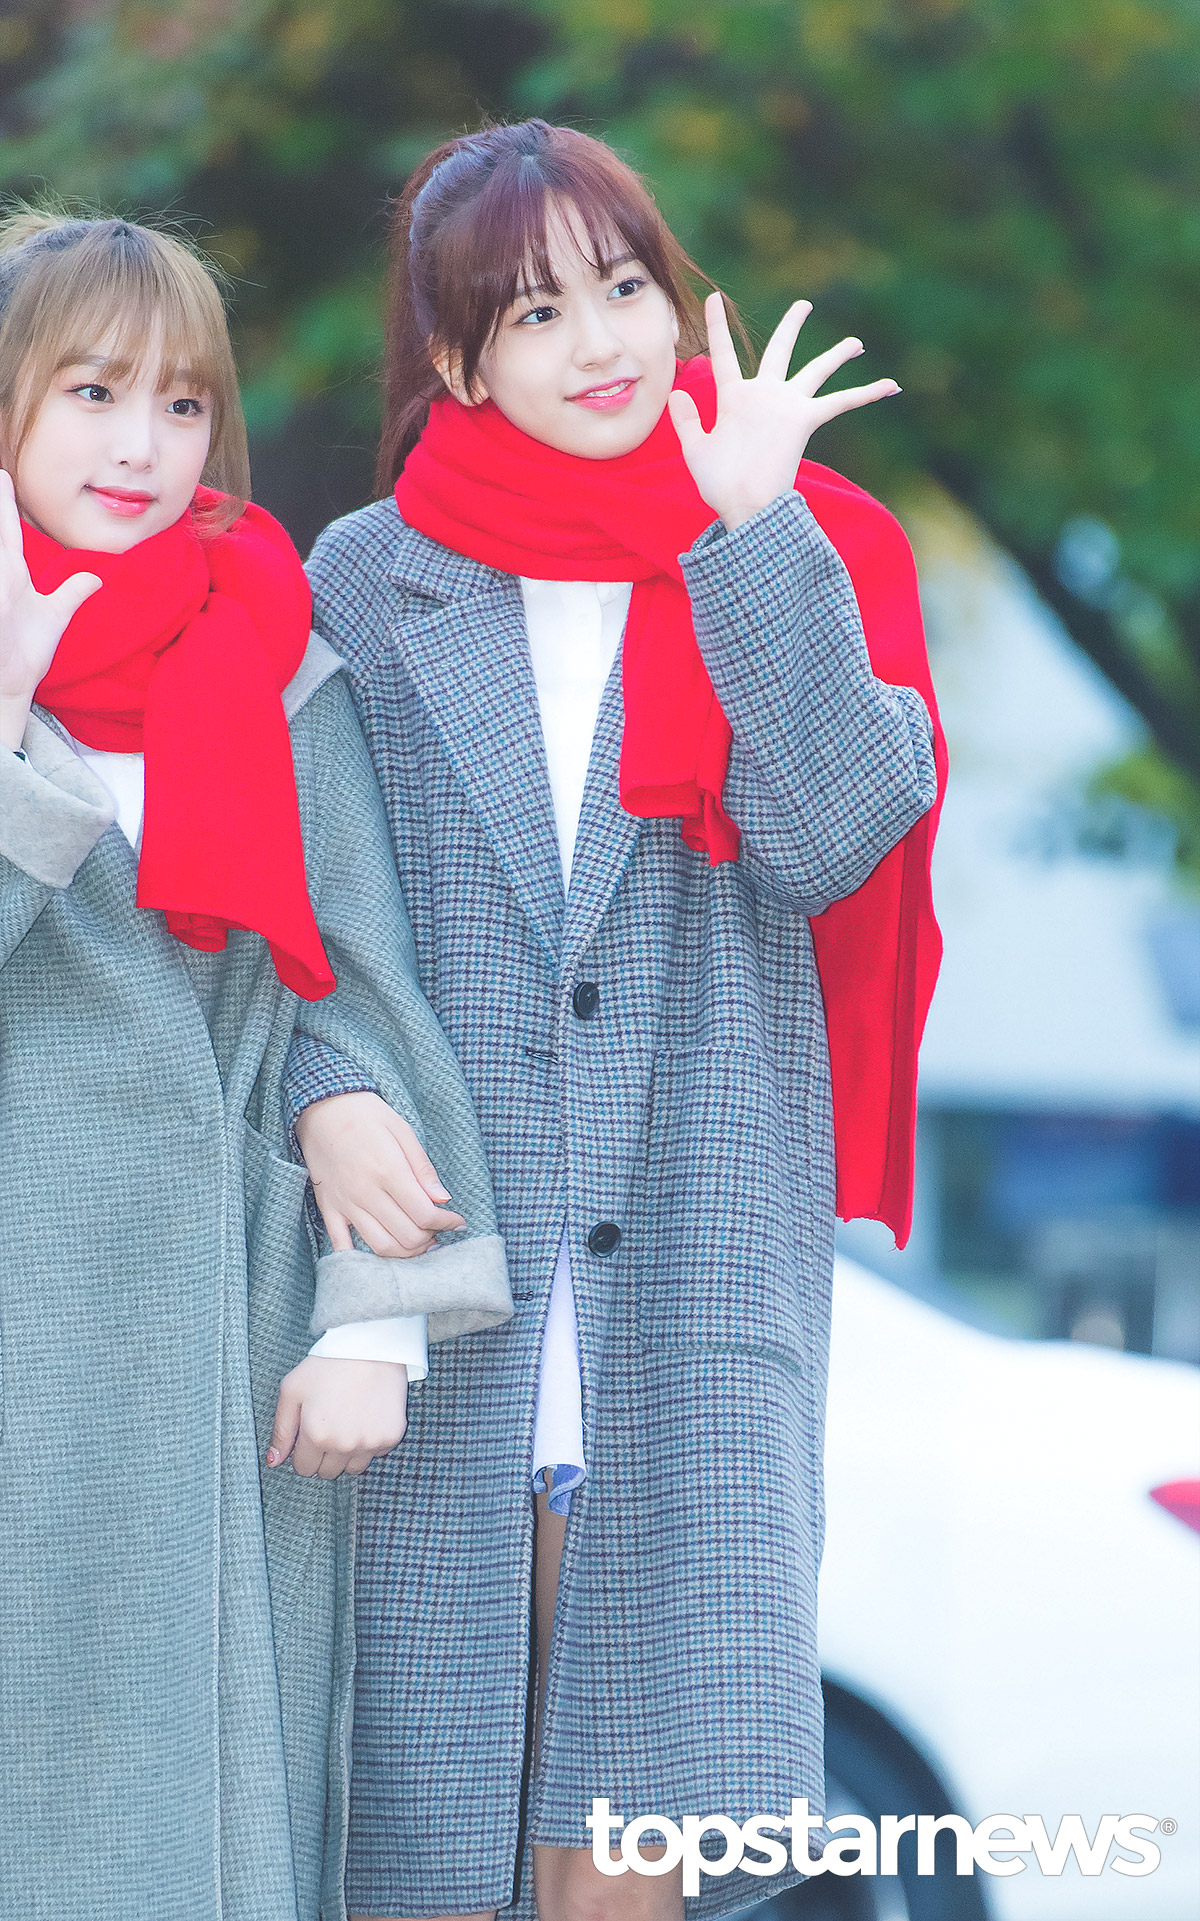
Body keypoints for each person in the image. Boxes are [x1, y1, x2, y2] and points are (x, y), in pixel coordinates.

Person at [298, 119, 945, 1921]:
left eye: (624, 286)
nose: (599, 342)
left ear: (677, 296)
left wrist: (752, 533)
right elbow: (313, 913)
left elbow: (835, 834)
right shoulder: (365, 577)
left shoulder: (800, 541)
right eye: (532, 312)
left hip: (692, 1267)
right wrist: (333, 1096)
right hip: (445, 1270)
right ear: (457, 359)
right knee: (424, 1838)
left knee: (632, 1850)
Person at [0, 208, 511, 1921]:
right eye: (92, 392)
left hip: (233, 1349)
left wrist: (375, 1319)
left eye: (183, 402)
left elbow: (353, 990)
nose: (142, 445)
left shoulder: (276, 661)